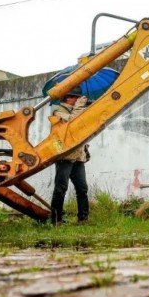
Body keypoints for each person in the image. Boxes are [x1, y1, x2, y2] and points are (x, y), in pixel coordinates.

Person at [49, 90, 90, 225]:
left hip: (78, 156)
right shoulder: (57, 111)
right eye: (76, 98)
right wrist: (79, 107)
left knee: (82, 188)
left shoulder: (75, 110)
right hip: (64, 156)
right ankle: (56, 220)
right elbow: (73, 123)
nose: (78, 101)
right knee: (61, 188)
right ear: (68, 98)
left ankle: (83, 219)